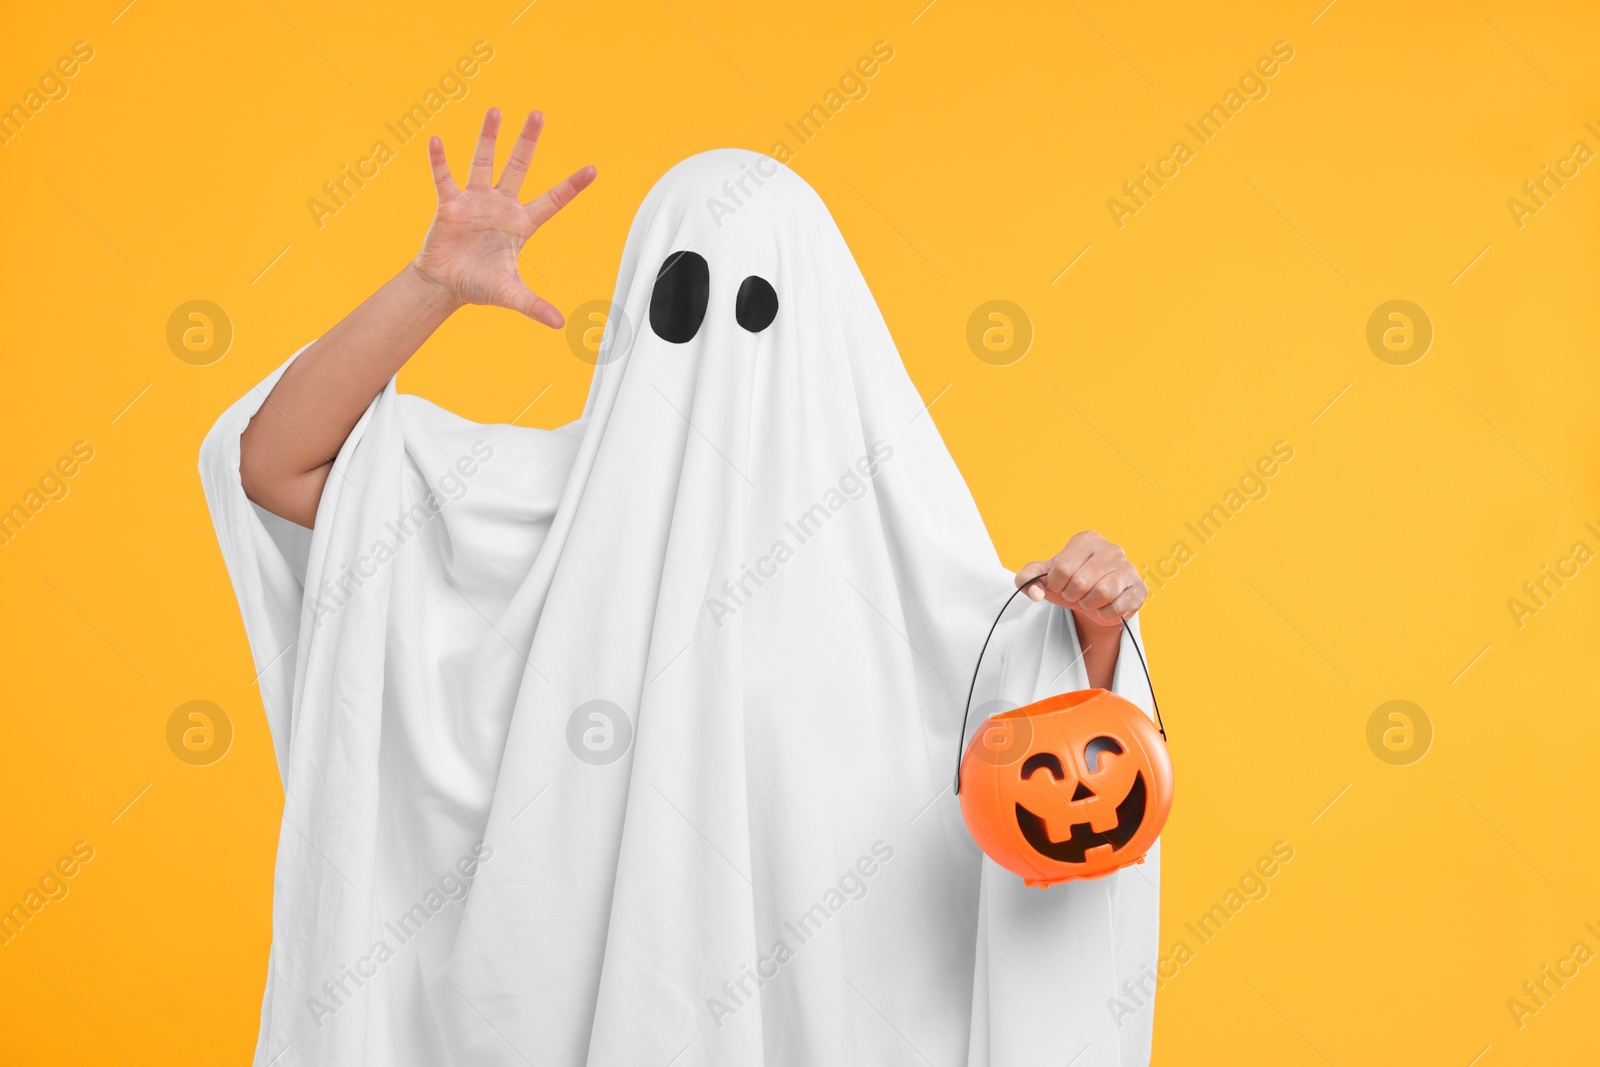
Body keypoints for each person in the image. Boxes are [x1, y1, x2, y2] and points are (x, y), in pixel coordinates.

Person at [204, 108, 1158, 1067]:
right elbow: (276, 466)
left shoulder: (913, 572)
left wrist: (1092, 628)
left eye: (759, 304)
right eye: (682, 297)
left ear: (828, 326)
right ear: (630, 319)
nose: (718, 346)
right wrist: (430, 287)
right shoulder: (539, 517)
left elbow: (1060, 776)